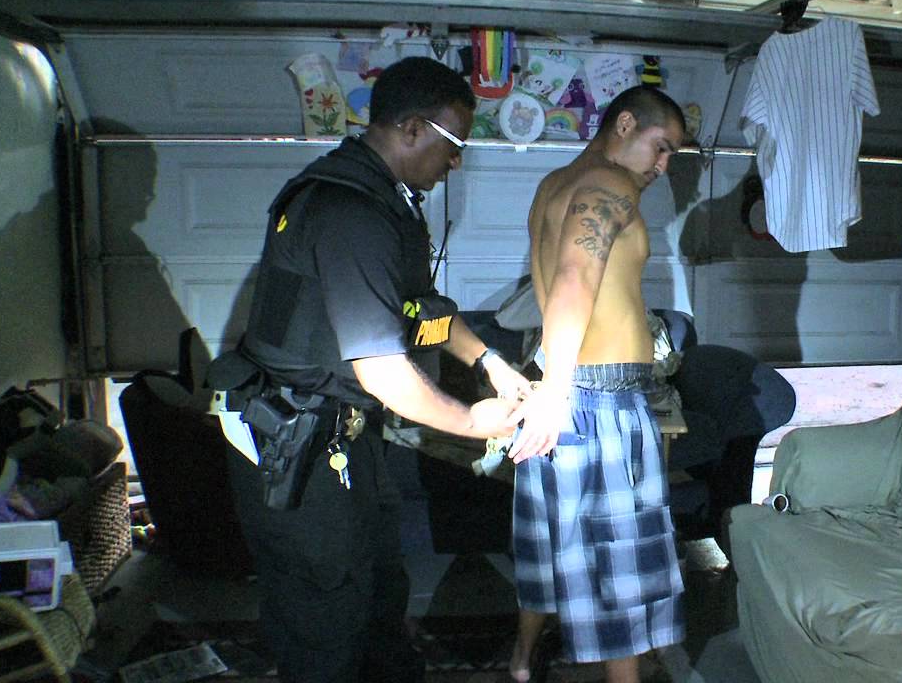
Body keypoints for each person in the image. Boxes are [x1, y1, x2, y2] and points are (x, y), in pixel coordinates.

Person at [219, 56, 530, 683]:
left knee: (378, 587)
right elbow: (383, 371)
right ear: (412, 128)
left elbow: (424, 310)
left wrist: (490, 360)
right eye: (454, 144)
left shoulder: (390, 203)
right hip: (294, 443)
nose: (456, 161)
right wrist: (477, 422)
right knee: (325, 615)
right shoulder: (349, 211)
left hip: (340, 434)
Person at [505, 86, 688, 683]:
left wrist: (551, 391)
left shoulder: (552, 185)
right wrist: (557, 393)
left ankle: (522, 662)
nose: (663, 166)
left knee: (549, 543)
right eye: (661, 147)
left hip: (561, 390)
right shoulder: (611, 186)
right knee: (621, 568)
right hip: (600, 401)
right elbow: (575, 279)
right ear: (625, 123)